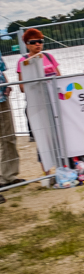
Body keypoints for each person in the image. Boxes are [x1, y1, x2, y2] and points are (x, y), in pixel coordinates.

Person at [17, 28, 61, 186]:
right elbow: (22, 87)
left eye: (40, 41)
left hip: (54, 103)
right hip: (37, 105)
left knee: (59, 135)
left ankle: (63, 168)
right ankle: (46, 174)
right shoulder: (23, 61)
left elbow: (59, 78)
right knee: (42, 138)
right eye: (33, 42)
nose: (37, 44)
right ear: (26, 44)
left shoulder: (49, 56)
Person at [0, 55, 24, 199]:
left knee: (9, 137)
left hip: (2, 98)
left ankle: (8, 176)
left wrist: (7, 85)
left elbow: (1, 71)